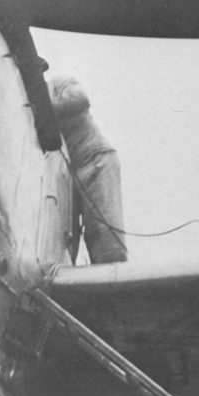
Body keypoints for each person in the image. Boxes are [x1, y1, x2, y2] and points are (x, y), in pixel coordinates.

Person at [47, 74, 128, 264]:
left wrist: (44, 108)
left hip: (96, 161)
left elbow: (81, 99)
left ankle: (114, 291)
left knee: (106, 241)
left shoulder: (56, 85)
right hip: (70, 173)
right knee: (67, 244)